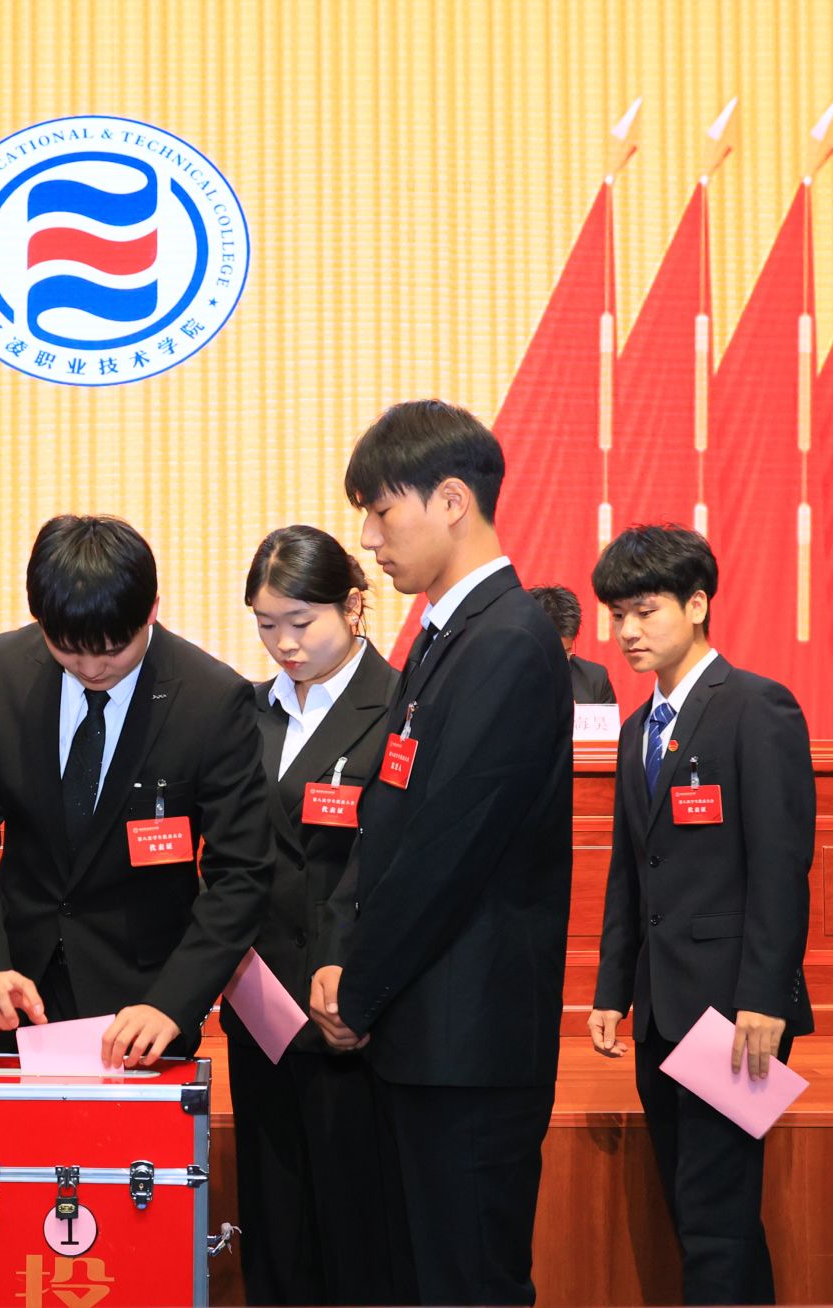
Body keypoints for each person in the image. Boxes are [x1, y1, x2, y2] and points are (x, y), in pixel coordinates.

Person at [308, 400, 572, 1305]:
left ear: (453, 500)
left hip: (470, 1048)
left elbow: (446, 853)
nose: (370, 539)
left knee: (469, 1281)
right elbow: (387, 816)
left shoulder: (508, 642)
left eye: (383, 512)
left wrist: (358, 988)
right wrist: (343, 955)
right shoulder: (443, 637)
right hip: (422, 1034)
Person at [0, 514, 273, 1067]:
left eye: (113, 649)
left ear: (152, 610)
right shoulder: (1, 671)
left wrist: (173, 1001)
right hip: (19, 991)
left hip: (143, 1005)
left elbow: (241, 871)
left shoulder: (210, 699)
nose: (91, 668)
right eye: (68, 648)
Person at [584, 524, 815, 1306]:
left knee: (717, 1213)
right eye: (617, 615)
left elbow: (781, 867)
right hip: (659, 1007)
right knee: (700, 1212)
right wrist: (612, 988)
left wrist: (764, 998)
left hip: (734, 1010)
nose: (628, 631)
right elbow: (630, 871)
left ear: (696, 604)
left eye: (645, 611)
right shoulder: (634, 730)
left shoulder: (755, 706)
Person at [225, 525, 412, 1306]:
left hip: (351, 1010)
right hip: (260, 1002)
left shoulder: (398, 705)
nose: (285, 645)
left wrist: (352, 978)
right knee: (274, 1221)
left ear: (354, 605)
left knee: (355, 1227)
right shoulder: (247, 711)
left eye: (302, 622)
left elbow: (395, 857)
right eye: (267, 625)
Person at [530, 583, 617, 704]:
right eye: (550, 653)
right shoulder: (509, 677)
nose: (558, 663)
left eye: (566, 653)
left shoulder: (594, 679)